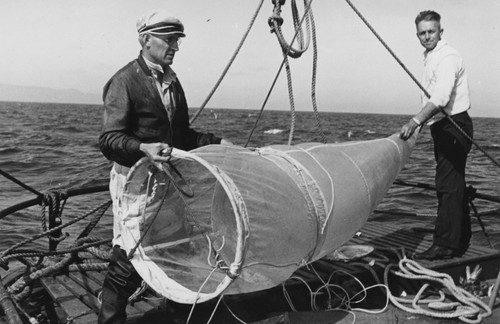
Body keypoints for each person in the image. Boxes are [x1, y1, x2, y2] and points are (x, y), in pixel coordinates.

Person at [98, 9, 231, 323]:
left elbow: (181, 135)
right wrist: (142, 147)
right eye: (169, 39)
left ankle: (180, 312)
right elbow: (109, 140)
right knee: (129, 255)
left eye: (178, 40)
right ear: (146, 40)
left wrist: (218, 143)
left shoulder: (172, 81)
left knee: (176, 246)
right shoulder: (124, 81)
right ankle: (110, 319)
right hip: (135, 185)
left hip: (166, 183)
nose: (176, 46)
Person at [400, 10, 473, 261]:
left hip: (455, 125)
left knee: (448, 185)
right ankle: (458, 240)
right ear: (417, 34)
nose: (427, 36)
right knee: (451, 183)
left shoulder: (447, 57)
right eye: (422, 33)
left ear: (441, 31)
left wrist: (415, 121)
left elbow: (441, 97)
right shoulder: (432, 55)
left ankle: (445, 246)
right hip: (442, 126)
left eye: (431, 31)